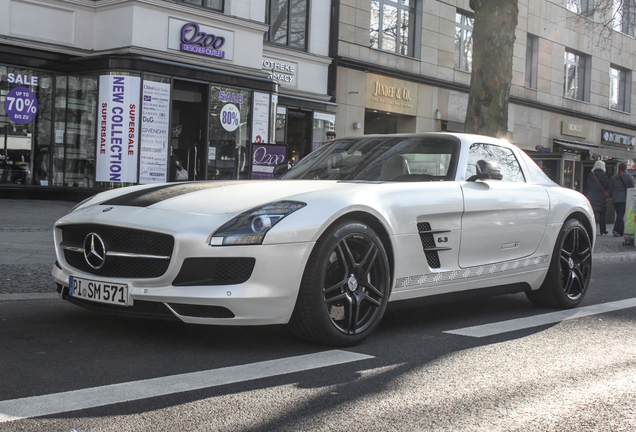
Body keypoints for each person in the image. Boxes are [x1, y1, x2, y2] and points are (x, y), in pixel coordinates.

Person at [586, 160, 612, 235]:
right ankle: (602, 230)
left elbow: (587, 185)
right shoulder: (603, 175)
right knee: (602, 214)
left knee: (592, 214)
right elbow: (606, 185)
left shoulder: (591, 174)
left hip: (591, 196)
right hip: (600, 196)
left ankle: (591, 228)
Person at [610, 162, 635, 237]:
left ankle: (621, 231)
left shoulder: (614, 177)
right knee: (621, 215)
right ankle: (616, 230)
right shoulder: (628, 177)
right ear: (625, 168)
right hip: (623, 198)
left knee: (619, 214)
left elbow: (611, 188)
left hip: (615, 199)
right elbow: (632, 187)